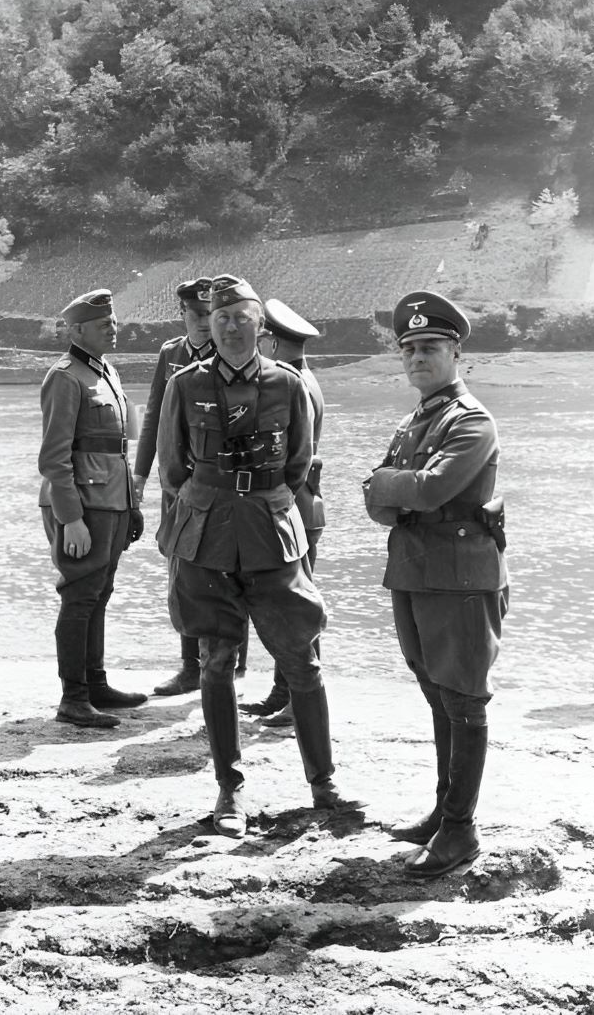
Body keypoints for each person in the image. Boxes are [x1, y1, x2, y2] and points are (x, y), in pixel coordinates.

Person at [157, 274, 356, 838]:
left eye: (241, 317)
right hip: (207, 538)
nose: (230, 326)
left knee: (301, 659)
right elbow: (174, 468)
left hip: (271, 534)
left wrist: (260, 498)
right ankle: (229, 790)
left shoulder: (288, 385)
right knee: (216, 661)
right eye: (221, 319)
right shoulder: (183, 385)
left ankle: (323, 782)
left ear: (259, 326)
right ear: (210, 327)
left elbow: (297, 464)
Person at [363, 291, 508, 877]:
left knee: (463, 698)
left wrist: (391, 485)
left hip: (461, 579)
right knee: (436, 693)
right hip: (416, 571)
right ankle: (445, 812)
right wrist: (397, 488)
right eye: (411, 349)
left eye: (430, 347)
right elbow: (381, 501)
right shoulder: (415, 420)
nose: (419, 357)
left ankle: (461, 830)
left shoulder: (471, 419)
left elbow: (426, 491)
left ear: (455, 355)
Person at [39, 288, 147, 728]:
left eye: (115, 322)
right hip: (83, 505)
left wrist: (133, 506)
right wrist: (71, 520)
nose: (114, 329)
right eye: (105, 325)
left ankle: (96, 683)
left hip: (112, 503)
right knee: (80, 595)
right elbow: (53, 458)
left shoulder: (109, 373)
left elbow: (122, 448)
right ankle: (74, 697)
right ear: (78, 330)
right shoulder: (64, 378)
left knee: (100, 593)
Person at [241, 298, 325, 728]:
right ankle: (283, 693)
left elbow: (293, 455)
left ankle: (298, 700)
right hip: (302, 505)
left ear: (271, 341)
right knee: (288, 599)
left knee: (296, 606)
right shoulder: (306, 377)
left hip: (295, 506)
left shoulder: (291, 381)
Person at [133, 277, 219, 697]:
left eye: (211, 314)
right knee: (181, 570)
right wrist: (140, 475)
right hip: (175, 486)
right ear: (182, 313)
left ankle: (226, 664)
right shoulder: (171, 354)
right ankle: (190, 665)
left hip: (216, 485)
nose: (205, 323)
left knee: (223, 569)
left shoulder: (232, 353)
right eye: (197, 315)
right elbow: (153, 417)